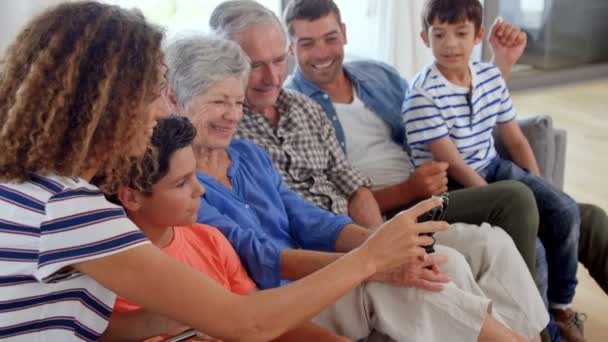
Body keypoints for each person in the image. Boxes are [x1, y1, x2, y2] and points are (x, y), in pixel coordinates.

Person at [0, 2, 456, 341]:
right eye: (156, 89)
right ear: (108, 103)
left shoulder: (30, 185)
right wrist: (371, 258)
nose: (163, 108)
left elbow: (81, 321)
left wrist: (178, 316)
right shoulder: (71, 210)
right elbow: (249, 322)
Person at [165, 33, 548, 341]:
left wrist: (384, 247)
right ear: (174, 98)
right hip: (279, 303)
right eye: (218, 102)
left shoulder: (248, 154)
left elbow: (310, 219)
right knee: (408, 285)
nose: (232, 115)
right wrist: (372, 264)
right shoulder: (178, 184)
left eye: (236, 101)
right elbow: (259, 256)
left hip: (315, 277)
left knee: (437, 265)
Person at [281, 0, 608, 338]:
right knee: (515, 200)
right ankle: (545, 332)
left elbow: (450, 106)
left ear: (345, 34)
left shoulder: (376, 75)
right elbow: (328, 207)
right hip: (396, 211)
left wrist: (500, 66)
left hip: (441, 187)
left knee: (588, 219)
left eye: (330, 38)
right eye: (307, 43)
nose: (321, 52)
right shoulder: (295, 109)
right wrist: (409, 189)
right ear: (291, 46)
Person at [403, 1, 582, 340]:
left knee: (565, 208)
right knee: (536, 248)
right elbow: (454, 164)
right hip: (455, 185)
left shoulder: (488, 76)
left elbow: (514, 139)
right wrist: (516, 201)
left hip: (495, 167)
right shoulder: (421, 95)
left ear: (478, 36)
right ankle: (546, 336)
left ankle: (561, 308)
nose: (451, 44)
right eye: (439, 35)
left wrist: (539, 189)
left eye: (461, 34)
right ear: (425, 38)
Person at [102, 116, 350, 341]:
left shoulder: (209, 238)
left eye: (195, 176)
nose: (200, 190)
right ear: (132, 198)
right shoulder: (115, 275)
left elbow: (262, 322)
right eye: (181, 183)